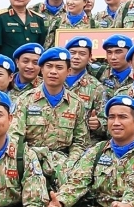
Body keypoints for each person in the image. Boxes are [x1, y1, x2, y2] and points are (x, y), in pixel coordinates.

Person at [9, 47, 90, 179]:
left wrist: (70, 163)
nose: (53, 71)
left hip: (65, 163)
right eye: (49, 66)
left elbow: (80, 141)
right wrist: (31, 159)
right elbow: (14, 137)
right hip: (31, 161)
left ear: (68, 71)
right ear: (41, 70)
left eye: (59, 67)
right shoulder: (25, 100)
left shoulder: (76, 103)